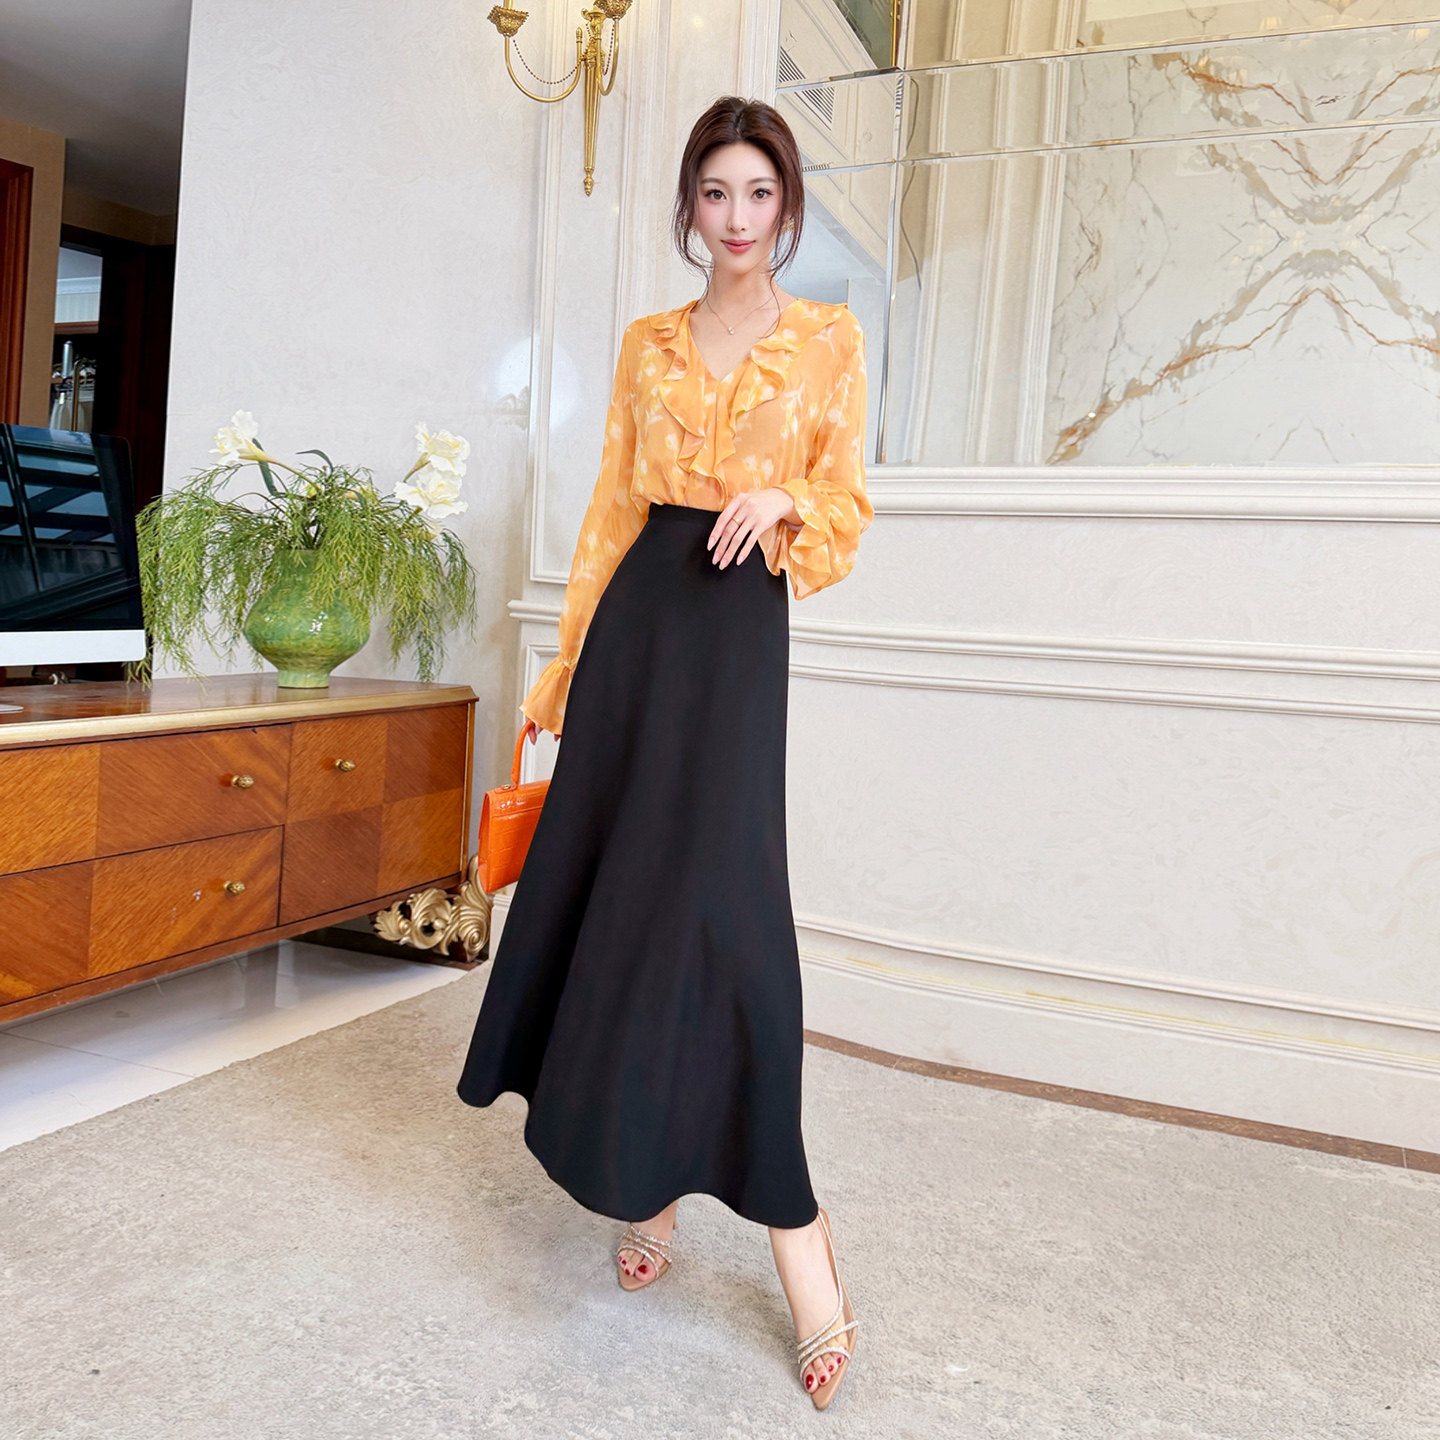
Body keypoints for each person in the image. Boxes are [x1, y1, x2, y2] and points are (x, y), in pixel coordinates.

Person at [456, 94, 872, 1410]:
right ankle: (646, 1181)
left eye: (760, 193)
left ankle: (800, 1238)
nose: (737, 218)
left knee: (732, 919)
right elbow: (609, 511)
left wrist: (785, 497)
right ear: (690, 204)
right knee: (633, 904)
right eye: (716, 193)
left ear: (785, 205)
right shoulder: (648, 341)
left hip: (737, 635)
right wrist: (565, 669)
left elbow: (848, 510)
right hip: (640, 626)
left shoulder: (828, 340)